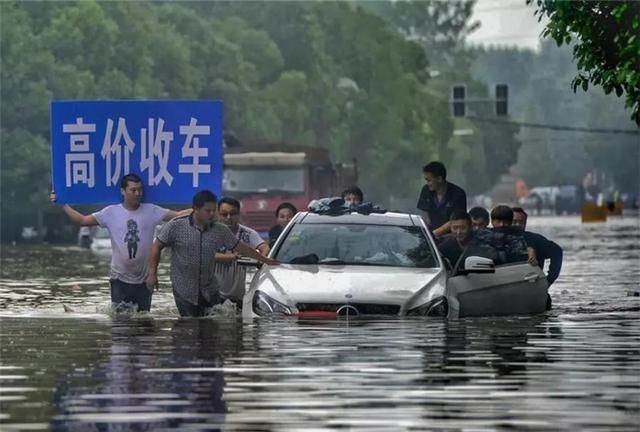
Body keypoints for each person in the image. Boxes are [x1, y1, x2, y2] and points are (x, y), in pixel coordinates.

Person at [52, 173, 189, 312]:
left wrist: (201, 209)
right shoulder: (110, 212)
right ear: (123, 191)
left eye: (140, 190)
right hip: (119, 278)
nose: (137, 193)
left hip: (144, 278)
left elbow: (177, 215)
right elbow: (82, 220)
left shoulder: (152, 211)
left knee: (144, 321)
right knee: (120, 321)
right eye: (133, 190)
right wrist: (62, 204)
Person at [147, 190, 278, 317]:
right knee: (188, 327)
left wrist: (265, 260)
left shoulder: (220, 230)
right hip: (184, 289)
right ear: (195, 209)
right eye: (207, 211)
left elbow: (242, 248)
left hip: (210, 289)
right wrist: (152, 273)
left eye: (213, 211)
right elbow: (156, 246)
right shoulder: (175, 226)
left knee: (212, 327)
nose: (211, 214)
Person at [214, 197, 270, 307]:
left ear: (239, 214)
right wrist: (228, 257)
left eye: (233, 214)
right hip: (213, 294)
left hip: (238, 296)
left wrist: (261, 260)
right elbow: (202, 254)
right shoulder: (209, 233)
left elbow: (265, 247)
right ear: (218, 214)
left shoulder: (247, 234)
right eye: (224, 214)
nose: (228, 218)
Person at [512, 207, 563, 309]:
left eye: (521, 222)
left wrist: (548, 281)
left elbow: (557, 252)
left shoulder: (535, 240)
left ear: (525, 223)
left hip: (533, 291)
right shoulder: (495, 238)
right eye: (514, 222)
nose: (517, 225)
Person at [417, 161, 467, 238]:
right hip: (430, 235)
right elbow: (424, 215)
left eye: (429, 180)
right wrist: (426, 233)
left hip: (451, 236)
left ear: (439, 179)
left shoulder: (458, 193)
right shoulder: (426, 190)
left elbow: (456, 220)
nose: (427, 183)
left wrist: (434, 234)